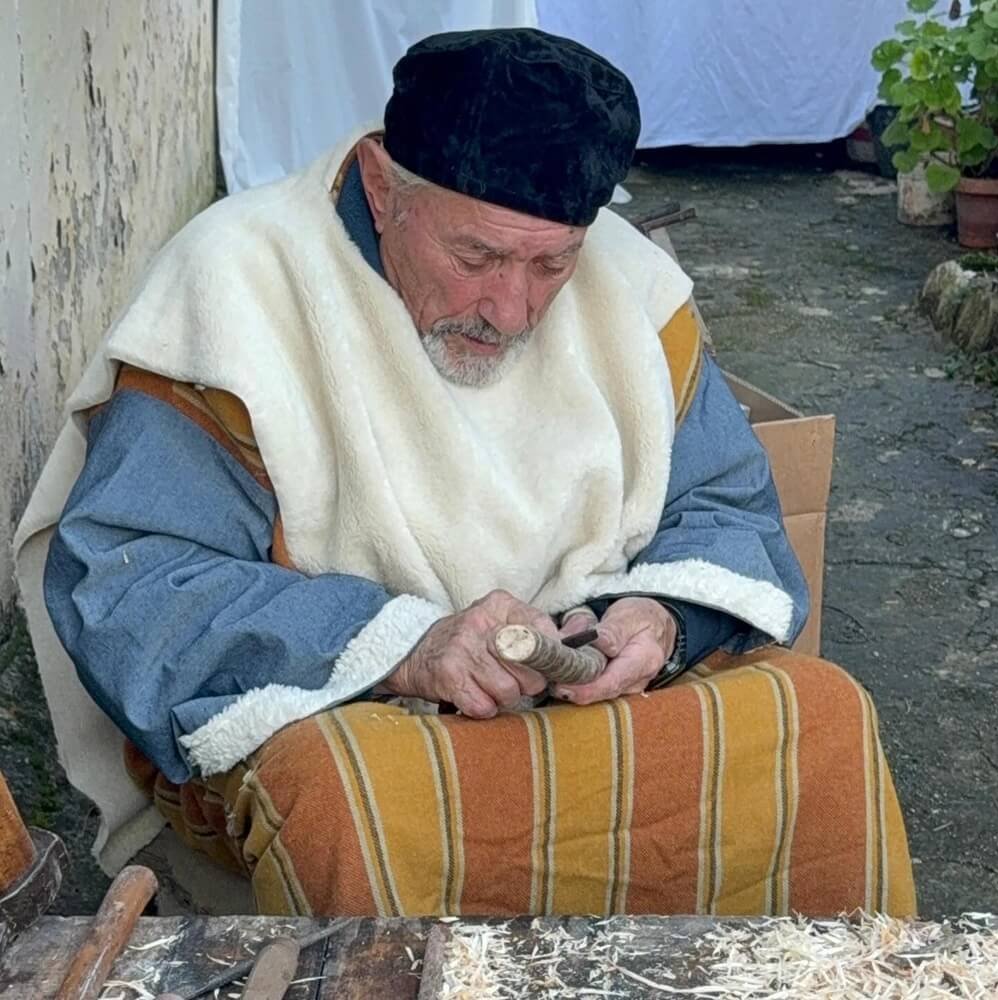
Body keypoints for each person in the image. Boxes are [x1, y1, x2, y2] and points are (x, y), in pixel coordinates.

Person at [16, 28, 915, 918]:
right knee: (350, 796)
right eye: (476, 258)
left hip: (595, 699)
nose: (511, 309)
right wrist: (407, 647)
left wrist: (662, 618)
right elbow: (136, 581)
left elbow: (723, 502)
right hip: (359, 713)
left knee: (823, 721)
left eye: (551, 264)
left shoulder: (633, 292)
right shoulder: (236, 290)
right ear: (383, 188)